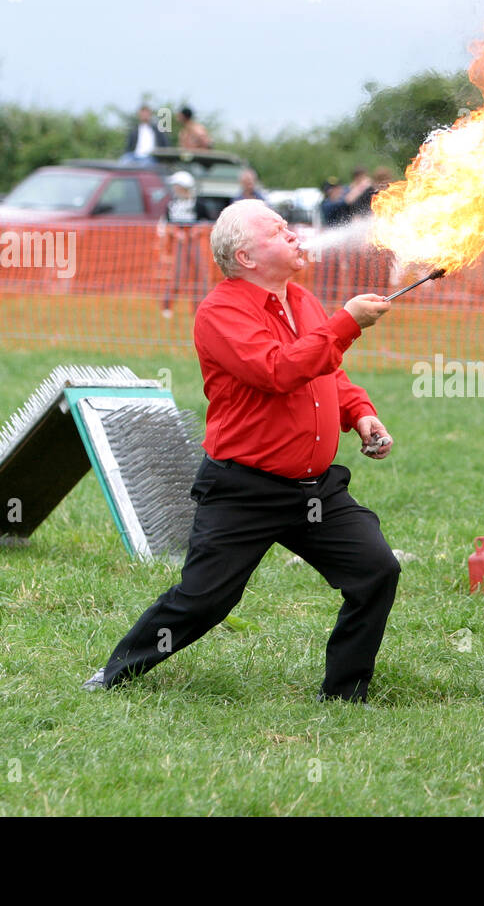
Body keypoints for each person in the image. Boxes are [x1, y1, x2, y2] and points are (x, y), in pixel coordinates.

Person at [83, 199, 399, 702]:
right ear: (247, 257)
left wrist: (359, 413)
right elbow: (278, 370)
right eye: (276, 230)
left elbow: (328, 372)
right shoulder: (221, 312)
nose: (292, 234)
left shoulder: (304, 301)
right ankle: (116, 674)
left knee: (376, 570)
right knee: (204, 600)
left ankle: (345, 695)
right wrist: (348, 322)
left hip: (315, 491)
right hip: (244, 488)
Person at [159, 171, 207, 318]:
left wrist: (197, 230)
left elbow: (206, 221)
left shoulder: (197, 204)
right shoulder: (172, 204)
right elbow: (167, 223)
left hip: (195, 241)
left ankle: (199, 307)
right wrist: (176, 233)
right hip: (180, 243)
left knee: (200, 274)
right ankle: (167, 305)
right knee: (178, 274)